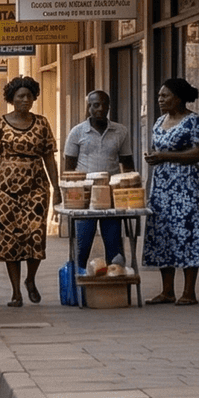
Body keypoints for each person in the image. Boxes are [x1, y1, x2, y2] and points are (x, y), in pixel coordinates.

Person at [0, 75, 60, 307]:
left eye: (29, 96)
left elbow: (49, 158)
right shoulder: (0, 124)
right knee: (9, 240)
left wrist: (57, 188)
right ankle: (15, 292)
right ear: (11, 99)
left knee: (35, 236)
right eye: (20, 96)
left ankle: (30, 279)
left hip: (36, 188)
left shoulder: (42, 123)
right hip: (5, 190)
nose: (25, 100)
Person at [142, 77, 199, 304]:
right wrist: (154, 157)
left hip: (187, 186)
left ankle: (189, 292)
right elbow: (158, 148)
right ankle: (167, 290)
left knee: (188, 232)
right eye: (160, 96)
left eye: (165, 96)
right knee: (163, 232)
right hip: (162, 185)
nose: (160, 99)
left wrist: (165, 156)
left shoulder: (195, 122)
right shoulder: (159, 122)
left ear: (178, 98)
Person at [63, 89, 135, 271]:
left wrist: (131, 194)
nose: (100, 109)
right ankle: (79, 287)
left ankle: (115, 285)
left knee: (114, 247)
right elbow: (68, 170)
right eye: (96, 105)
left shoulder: (120, 131)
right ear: (89, 107)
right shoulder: (77, 132)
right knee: (83, 246)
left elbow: (128, 166)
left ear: (109, 107)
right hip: (84, 199)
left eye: (104, 105)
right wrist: (69, 196)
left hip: (110, 197)